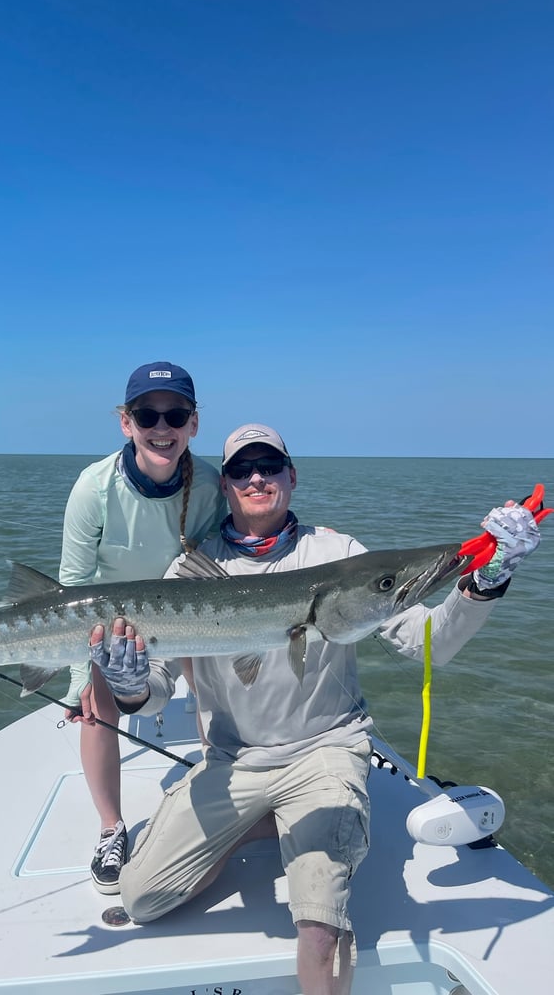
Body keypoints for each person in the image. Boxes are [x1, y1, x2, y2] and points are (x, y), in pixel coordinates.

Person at [88, 422, 542, 995]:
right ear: (225, 486)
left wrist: (484, 583)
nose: (257, 478)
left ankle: (306, 833)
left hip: (325, 750)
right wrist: (127, 684)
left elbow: (429, 642)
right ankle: (264, 823)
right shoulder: (191, 572)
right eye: (241, 470)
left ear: (291, 477)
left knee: (320, 922)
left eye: (270, 466)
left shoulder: (338, 552)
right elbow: (153, 688)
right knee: (142, 897)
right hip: (235, 759)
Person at [57, 361, 226, 894]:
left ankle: (222, 798)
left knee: (213, 684)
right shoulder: (93, 488)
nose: (162, 427)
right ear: (125, 422)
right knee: (97, 702)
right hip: (109, 627)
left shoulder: (210, 488)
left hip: (186, 619)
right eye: (146, 414)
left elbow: (222, 562)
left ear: (193, 425)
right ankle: (111, 828)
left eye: (175, 414)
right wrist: (76, 678)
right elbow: (71, 588)